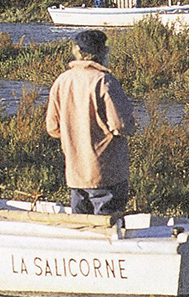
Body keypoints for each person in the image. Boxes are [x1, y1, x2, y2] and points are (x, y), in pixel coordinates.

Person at [46, 30, 135, 215]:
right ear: (103, 51)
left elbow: (52, 128)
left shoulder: (62, 81)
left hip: (75, 173)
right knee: (108, 232)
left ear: (77, 51)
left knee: (83, 232)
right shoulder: (104, 81)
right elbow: (122, 126)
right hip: (107, 173)